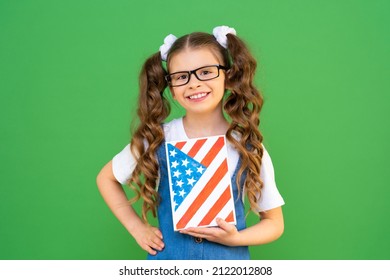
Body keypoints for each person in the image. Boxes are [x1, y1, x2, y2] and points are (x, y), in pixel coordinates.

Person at [96, 26, 285, 260]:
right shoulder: (158, 138)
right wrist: (137, 228)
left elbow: (274, 223)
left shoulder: (247, 145)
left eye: (206, 72)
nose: (194, 83)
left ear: (228, 77)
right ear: (172, 89)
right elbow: (106, 178)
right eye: (181, 77)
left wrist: (235, 238)